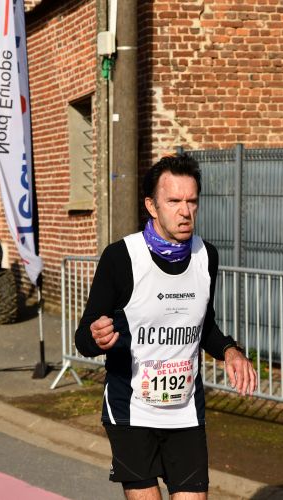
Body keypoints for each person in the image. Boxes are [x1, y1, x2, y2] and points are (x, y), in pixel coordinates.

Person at [75, 153, 257, 500]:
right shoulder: (121, 258)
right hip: (132, 411)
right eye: (174, 201)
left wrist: (230, 351)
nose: (185, 211)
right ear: (152, 206)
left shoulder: (206, 256)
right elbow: (83, 337)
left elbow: (203, 325)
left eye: (192, 201)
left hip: (185, 412)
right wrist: (96, 337)